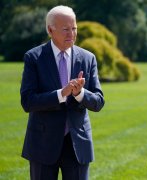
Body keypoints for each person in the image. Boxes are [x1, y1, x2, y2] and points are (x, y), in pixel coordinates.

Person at [20, 5, 105, 180]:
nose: (71, 34)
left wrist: (80, 93)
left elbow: (98, 102)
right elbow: (28, 101)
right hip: (42, 144)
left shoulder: (88, 58)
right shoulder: (34, 58)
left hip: (77, 145)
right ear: (50, 30)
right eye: (66, 29)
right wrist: (61, 93)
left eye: (74, 28)